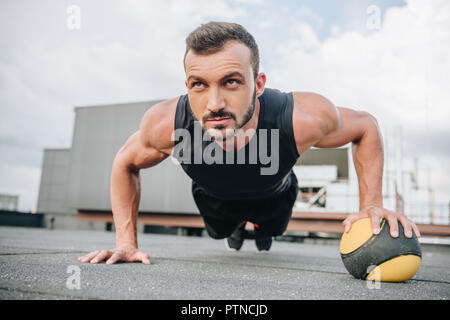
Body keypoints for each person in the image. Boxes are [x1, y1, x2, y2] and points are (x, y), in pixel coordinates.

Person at [78, 21, 421, 265]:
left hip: (275, 194)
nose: (214, 103)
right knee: (221, 232)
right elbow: (125, 162)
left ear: (258, 84)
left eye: (230, 82)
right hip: (214, 200)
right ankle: (236, 229)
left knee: (271, 231)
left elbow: (365, 126)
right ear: (187, 85)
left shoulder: (299, 118)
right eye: (199, 84)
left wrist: (370, 204)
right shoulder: (167, 124)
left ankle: (259, 229)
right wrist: (125, 242)